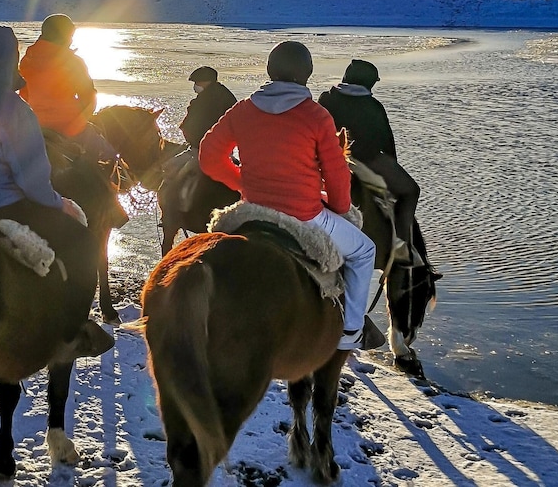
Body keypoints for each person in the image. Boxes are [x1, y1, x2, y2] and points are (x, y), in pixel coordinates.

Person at [198, 41, 384, 351]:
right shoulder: (316, 116)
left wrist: (242, 182)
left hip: (253, 208)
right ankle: (351, 332)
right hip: (304, 214)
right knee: (364, 252)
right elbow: (337, 176)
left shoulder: (243, 109)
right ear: (307, 74)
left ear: (270, 71)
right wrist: (339, 208)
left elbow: (208, 156)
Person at [0, 23, 95, 287]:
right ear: (8, 58)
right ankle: (71, 316)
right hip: (2, 208)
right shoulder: (13, 108)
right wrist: (61, 204)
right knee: (81, 239)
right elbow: (32, 181)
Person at [317, 59, 421, 265]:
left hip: (329, 161)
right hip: (369, 160)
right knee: (411, 191)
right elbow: (387, 144)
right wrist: (391, 166)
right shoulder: (373, 106)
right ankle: (401, 247)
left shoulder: (327, 98)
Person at [18, 14, 115, 160]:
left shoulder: (26, 60)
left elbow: (24, 94)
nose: (71, 40)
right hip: (69, 126)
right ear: (64, 35)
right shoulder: (73, 62)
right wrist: (82, 119)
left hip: (35, 127)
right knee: (110, 157)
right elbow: (89, 97)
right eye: (70, 35)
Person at [179, 66, 237, 151]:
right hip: (216, 144)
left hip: (207, 147)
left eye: (198, 82)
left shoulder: (210, 99)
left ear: (207, 82)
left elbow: (193, 122)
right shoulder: (221, 93)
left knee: (173, 163)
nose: (196, 85)